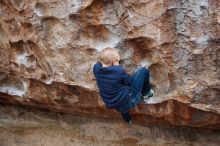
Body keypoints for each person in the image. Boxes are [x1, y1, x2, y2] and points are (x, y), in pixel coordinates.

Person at [93, 47, 154, 126]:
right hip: (129, 100)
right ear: (114, 62)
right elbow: (129, 82)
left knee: (123, 110)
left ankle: (128, 120)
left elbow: (100, 63)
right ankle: (147, 93)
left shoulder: (96, 69)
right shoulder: (118, 71)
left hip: (113, 103)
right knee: (143, 70)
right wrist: (119, 67)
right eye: (118, 61)